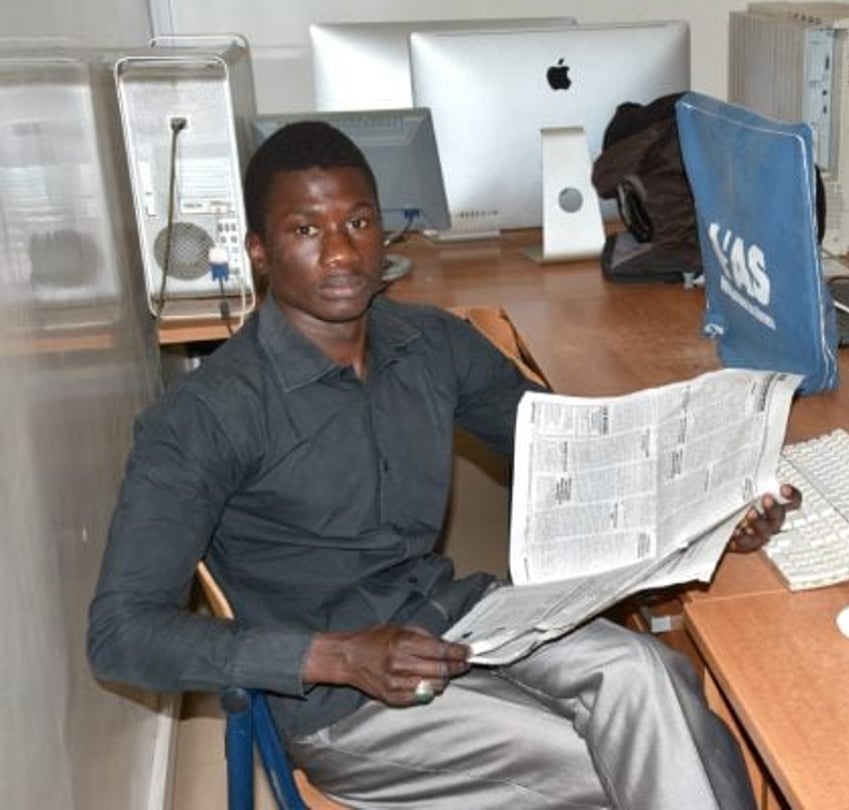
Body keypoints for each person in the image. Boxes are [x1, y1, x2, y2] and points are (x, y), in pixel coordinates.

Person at [88, 121, 800, 809]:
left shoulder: (429, 344)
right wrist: (336, 657)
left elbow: (577, 464)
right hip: (344, 705)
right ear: (259, 252)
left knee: (649, 675)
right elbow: (122, 634)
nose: (340, 252)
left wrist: (709, 512)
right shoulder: (204, 417)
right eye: (306, 230)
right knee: (649, 753)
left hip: (461, 619)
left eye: (358, 223)